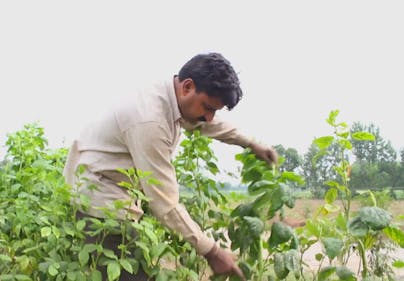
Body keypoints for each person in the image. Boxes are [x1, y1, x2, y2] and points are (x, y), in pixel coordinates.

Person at [63, 52, 278, 281]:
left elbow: (207, 124)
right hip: (99, 197)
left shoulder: (174, 99)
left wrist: (250, 143)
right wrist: (212, 252)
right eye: (208, 107)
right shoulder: (150, 120)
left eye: (214, 110)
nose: (209, 117)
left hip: (117, 192)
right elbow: (164, 203)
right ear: (187, 87)